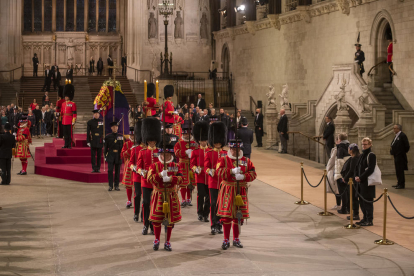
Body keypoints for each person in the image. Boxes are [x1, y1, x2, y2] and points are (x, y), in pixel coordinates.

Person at [216, 139, 257, 250]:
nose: (235, 152)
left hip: (241, 191)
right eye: (233, 149)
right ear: (230, 149)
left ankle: (236, 238)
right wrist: (231, 171)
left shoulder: (246, 161)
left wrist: (244, 176)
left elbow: (253, 173)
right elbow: (218, 172)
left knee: (238, 217)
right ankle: (225, 239)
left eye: (237, 149)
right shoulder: (223, 159)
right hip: (228, 190)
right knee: (226, 216)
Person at [147, 142, 183, 251]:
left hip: (171, 195)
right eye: (163, 154)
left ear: (171, 155)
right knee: (157, 219)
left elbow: (182, 179)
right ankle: (157, 239)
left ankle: (167, 241)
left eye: (167, 155)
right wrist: (159, 175)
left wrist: (172, 179)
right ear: (160, 155)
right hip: (158, 194)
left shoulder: (175, 166)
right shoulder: (154, 166)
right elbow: (149, 179)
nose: (165, 156)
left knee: (170, 220)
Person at [137, 117, 161, 235]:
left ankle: (153, 225)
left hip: (156, 181)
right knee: (146, 202)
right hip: (145, 181)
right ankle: (145, 224)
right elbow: (138, 165)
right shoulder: (142, 152)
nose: (151, 142)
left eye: (153, 140)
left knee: (155, 204)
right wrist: (141, 171)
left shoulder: (160, 152)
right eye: (150, 140)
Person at [205, 121, 227, 235]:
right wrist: (210, 171)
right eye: (216, 142)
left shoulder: (226, 153)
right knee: (213, 203)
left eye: (219, 142)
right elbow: (206, 167)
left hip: (223, 183)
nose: (217, 144)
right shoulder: (208, 153)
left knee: (221, 204)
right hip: (213, 182)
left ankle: (219, 223)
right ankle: (213, 224)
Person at [175, 121, 198, 207]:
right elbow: (176, 152)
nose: (186, 136)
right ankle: (183, 199)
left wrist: (193, 153)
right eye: (185, 135)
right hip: (182, 165)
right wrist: (185, 152)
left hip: (191, 164)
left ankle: (188, 199)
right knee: (183, 183)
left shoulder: (194, 143)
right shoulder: (179, 143)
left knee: (191, 183)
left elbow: (197, 151)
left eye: (188, 134)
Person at [191, 121, 210, 222]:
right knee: (201, 195)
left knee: (208, 196)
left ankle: (206, 213)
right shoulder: (195, 151)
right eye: (201, 141)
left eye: (205, 140)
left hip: (209, 176)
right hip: (200, 176)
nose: (203, 142)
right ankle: (199, 212)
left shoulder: (210, 151)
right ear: (198, 141)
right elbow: (192, 164)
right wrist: (195, 169)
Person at [355, 137, 376, 226]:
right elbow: (357, 166)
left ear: (370, 145)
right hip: (360, 182)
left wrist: (361, 177)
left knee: (368, 202)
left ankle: (369, 220)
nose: (363, 146)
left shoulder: (371, 155)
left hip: (367, 183)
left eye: (365, 144)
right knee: (361, 201)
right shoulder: (362, 155)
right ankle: (364, 218)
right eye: (363, 144)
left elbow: (370, 169)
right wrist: (356, 176)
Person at [129, 120, 144, 222]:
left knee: (146, 198)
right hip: (137, 176)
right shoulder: (135, 149)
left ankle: (144, 214)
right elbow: (130, 163)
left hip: (147, 176)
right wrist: (134, 168)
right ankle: (136, 213)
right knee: (137, 195)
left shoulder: (149, 150)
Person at [341, 143, 361, 221]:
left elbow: (351, 170)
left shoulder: (354, 159)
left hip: (352, 181)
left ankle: (356, 214)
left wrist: (345, 178)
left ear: (351, 150)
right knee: (354, 198)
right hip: (355, 181)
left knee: (354, 198)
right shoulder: (358, 157)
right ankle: (355, 213)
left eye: (349, 149)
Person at [334, 133, 350, 215]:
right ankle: (348, 208)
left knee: (343, 192)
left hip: (341, 174)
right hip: (348, 173)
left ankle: (344, 209)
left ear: (339, 140)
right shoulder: (350, 146)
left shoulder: (340, 147)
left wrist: (341, 175)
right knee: (347, 191)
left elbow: (339, 162)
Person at [104, 121, 124, 191]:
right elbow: (106, 147)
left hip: (118, 155)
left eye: (116, 127)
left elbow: (122, 147)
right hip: (111, 155)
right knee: (110, 171)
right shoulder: (108, 137)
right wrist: (105, 155)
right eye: (113, 127)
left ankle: (116, 185)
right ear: (111, 128)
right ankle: (110, 185)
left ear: (117, 128)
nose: (115, 128)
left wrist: (122, 155)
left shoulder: (121, 136)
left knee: (117, 171)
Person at [390, 124, 410, 189]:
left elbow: (407, 146)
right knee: (397, 170)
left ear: (398, 129)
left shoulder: (402, 135)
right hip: (396, 156)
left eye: (394, 128)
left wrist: (401, 152)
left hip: (400, 156)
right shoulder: (396, 136)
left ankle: (401, 184)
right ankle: (398, 183)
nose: (393, 129)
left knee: (400, 170)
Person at [61, 84, 77, 149]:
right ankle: (66, 144)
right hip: (64, 120)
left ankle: (70, 144)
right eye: (65, 96)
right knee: (65, 134)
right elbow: (62, 112)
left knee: (70, 134)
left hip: (69, 120)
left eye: (66, 96)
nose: (65, 97)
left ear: (69, 97)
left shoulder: (72, 103)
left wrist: (73, 120)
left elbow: (74, 112)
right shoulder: (63, 104)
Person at [121, 133, 134, 208]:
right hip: (129, 164)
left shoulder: (140, 143)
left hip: (137, 164)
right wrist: (130, 150)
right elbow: (123, 155)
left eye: (134, 135)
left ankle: (136, 199)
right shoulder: (126, 144)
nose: (132, 137)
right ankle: (129, 200)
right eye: (131, 135)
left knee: (137, 184)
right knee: (128, 185)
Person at [326, 144, 340, 210]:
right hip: (342, 170)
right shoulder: (347, 147)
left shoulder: (336, 149)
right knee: (340, 189)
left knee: (337, 189)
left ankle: (339, 204)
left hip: (336, 170)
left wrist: (327, 169)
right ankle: (344, 205)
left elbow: (332, 160)